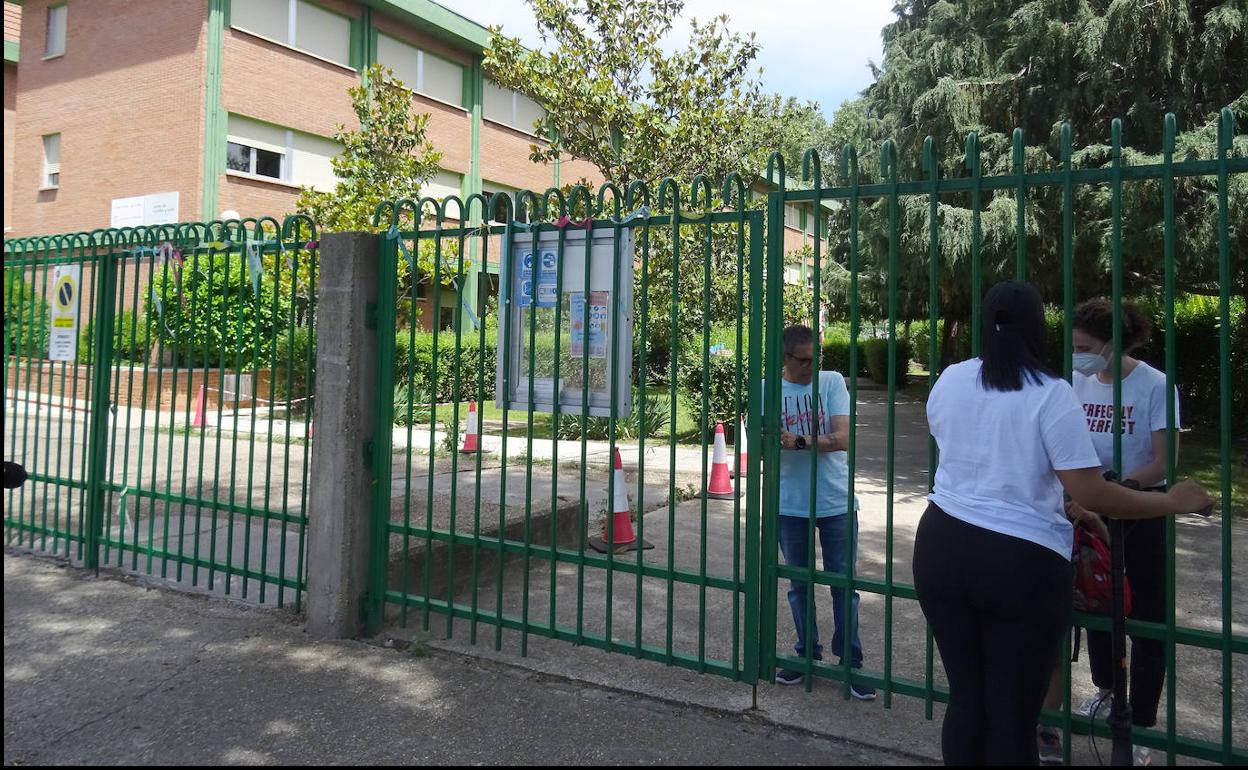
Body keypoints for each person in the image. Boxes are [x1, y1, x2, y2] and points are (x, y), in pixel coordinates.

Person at [913, 281, 1211, 765]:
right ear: (1038, 328)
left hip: (942, 545)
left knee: (967, 699)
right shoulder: (1051, 393)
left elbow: (965, 447)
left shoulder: (950, 378)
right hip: (1018, 563)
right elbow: (1090, 489)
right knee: (1013, 714)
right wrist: (1173, 502)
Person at [1037, 298, 1179, 767]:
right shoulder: (1076, 383)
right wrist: (1083, 494)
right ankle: (1106, 692)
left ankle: (1139, 723)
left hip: (1139, 512)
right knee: (1096, 602)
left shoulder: (1156, 385)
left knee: (1147, 616)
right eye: (1074, 345)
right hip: (1083, 509)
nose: (1077, 354)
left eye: (1085, 346)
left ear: (1114, 343)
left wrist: (1116, 489)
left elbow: (1164, 460)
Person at [769, 324, 875, 700]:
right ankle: (805, 655)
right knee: (799, 585)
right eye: (802, 361)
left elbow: (844, 439)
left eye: (815, 359)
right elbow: (761, 444)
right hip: (790, 504)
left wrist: (800, 440)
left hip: (834, 502)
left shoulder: (831, 383)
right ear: (785, 358)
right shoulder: (770, 390)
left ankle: (850, 662)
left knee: (843, 586)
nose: (810, 367)